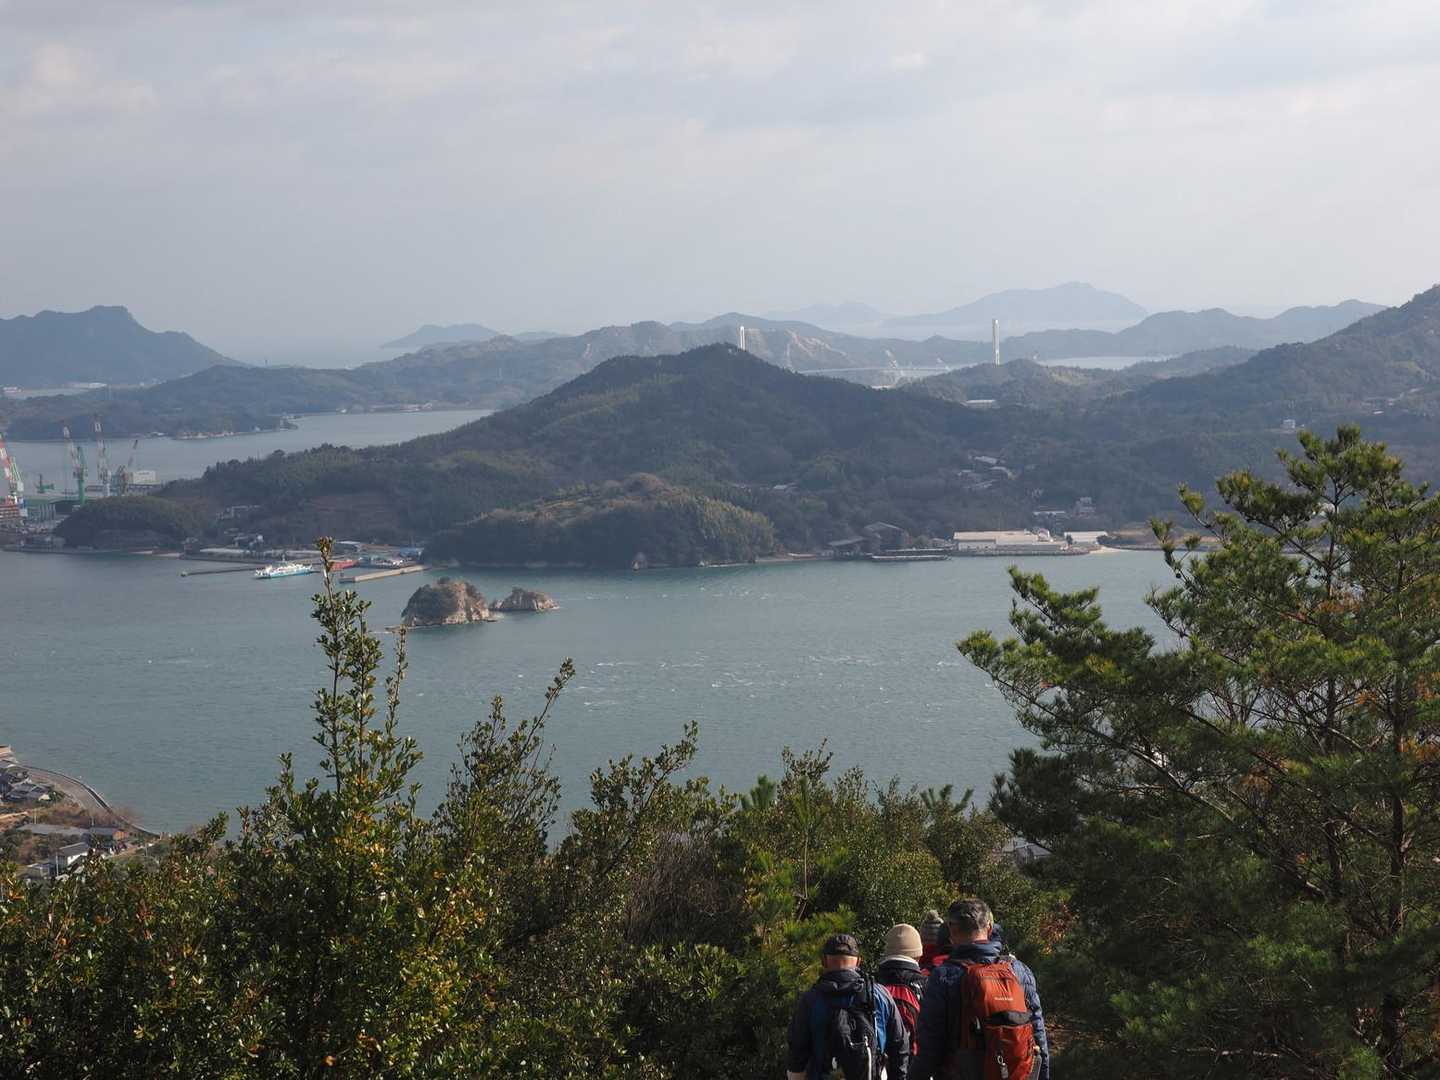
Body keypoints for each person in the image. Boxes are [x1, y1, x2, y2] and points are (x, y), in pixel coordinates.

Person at [912, 899, 1050, 1080]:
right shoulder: (1019, 971)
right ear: (989, 929)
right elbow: (1038, 1037)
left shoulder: (943, 977)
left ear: (952, 931)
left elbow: (929, 1048)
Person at [786, 932, 910, 1080]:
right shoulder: (879, 995)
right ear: (858, 962)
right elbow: (900, 1046)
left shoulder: (811, 1000)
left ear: (824, 961)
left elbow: (797, 1053)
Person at [875, 923, 928, 1057]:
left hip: (880, 1063)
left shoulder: (872, 984)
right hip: (916, 1062)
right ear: (918, 955)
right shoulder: (926, 985)